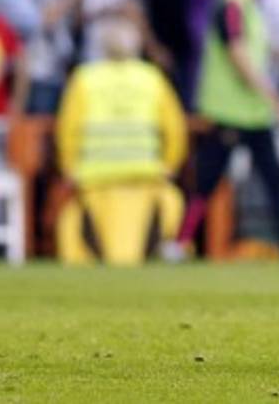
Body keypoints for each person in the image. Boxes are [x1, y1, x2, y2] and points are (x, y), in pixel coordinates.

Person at [176, 0, 279, 262]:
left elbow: (252, 52)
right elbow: (237, 53)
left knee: (271, 179)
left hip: (250, 111)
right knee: (208, 181)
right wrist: (275, 99)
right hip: (228, 110)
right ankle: (179, 243)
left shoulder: (249, 1)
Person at [54, 19, 186, 265]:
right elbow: (175, 128)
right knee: (171, 203)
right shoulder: (151, 78)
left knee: (74, 220)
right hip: (145, 176)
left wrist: (69, 168)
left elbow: (68, 130)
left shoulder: (85, 79)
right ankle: (165, 251)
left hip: (95, 178)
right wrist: (170, 165)